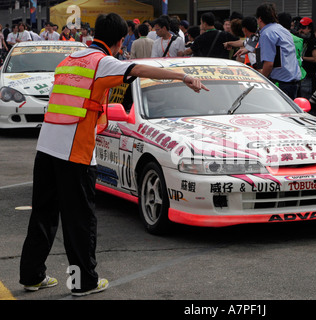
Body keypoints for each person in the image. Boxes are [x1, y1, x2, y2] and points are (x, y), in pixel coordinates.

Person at [18, 12, 208, 297]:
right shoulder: (103, 62)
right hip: (75, 153)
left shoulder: (69, 60)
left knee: (43, 215)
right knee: (79, 220)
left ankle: (32, 276)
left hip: (46, 148)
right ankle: (83, 283)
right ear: (120, 41)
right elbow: (141, 71)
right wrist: (183, 75)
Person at [255, 3, 301, 99]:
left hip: (281, 84)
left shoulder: (267, 34)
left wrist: (261, 81)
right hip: (293, 81)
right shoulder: (282, 30)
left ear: (259, 19)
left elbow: (269, 64)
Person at [298, 17, 316, 109]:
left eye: (304, 28)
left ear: (310, 28)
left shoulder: (313, 41)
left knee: (306, 101)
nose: (301, 30)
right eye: (300, 27)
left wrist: (301, 58)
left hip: (309, 76)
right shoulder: (303, 40)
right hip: (303, 75)